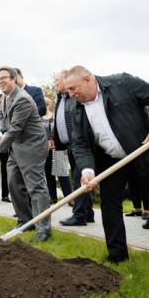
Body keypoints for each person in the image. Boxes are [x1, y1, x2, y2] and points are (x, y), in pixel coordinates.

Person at [65, 65, 149, 265]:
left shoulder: (121, 83)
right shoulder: (74, 106)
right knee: (110, 206)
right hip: (111, 159)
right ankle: (117, 255)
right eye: (67, 91)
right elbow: (79, 142)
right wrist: (87, 169)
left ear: (88, 79)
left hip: (145, 151)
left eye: (72, 88)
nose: (70, 94)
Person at [0, 66, 51, 242]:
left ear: (14, 79)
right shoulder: (4, 98)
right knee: (13, 183)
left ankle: (43, 229)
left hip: (32, 147)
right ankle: (26, 220)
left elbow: (16, 128)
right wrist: (1, 133)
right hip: (16, 147)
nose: (0, 81)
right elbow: (3, 119)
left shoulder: (22, 99)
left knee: (36, 187)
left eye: (4, 78)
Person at [50, 71, 94, 226]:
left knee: (78, 177)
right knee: (79, 177)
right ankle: (88, 212)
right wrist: (55, 139)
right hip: (67, 144)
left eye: (57, 81)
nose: (55, 84)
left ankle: (79, 215)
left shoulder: (74, 96)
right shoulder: (60, 98)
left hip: (78, 143)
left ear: (65, 79)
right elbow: (58, 120)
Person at [42, 96, 72, 206]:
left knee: (62, 173)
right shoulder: (38, 118)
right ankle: (53, 198)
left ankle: (69, 198)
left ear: (48, 105)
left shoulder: (55, 116)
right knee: (49, 174)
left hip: (57, 149)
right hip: (44, 150)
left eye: (45, 104)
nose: (43, 106)